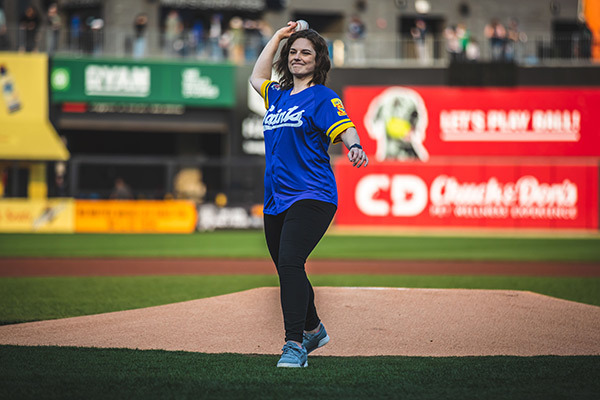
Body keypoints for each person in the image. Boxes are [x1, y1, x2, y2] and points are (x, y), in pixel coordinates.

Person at [249, 21, 369, 368]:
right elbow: (256, 78)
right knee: (288, 268)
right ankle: (314, 328)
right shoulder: (279, 96)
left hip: (312, 194)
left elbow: (346, 128)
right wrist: (277, 38)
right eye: (294, 53)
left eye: (306, 53)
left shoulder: (323, 97)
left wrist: (355, 146)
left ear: (318, 61)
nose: (298, 57)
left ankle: (295, 346)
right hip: (276, 198)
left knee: (289, 262)